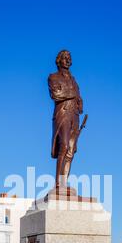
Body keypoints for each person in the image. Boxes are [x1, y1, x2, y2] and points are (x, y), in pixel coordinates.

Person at [48, 50, 83, 188]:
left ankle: (63, 183)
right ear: (59, 60)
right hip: (62, 114)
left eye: (69, 58)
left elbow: (78, 96)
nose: (67, 60)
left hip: (74, 115)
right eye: (65, 58)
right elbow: (56, 94)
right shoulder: (53, 77)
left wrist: (80, 102)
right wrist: (73, 95)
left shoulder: (74, 80)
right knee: (64, 146)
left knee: (71, 150)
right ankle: (58, 183)